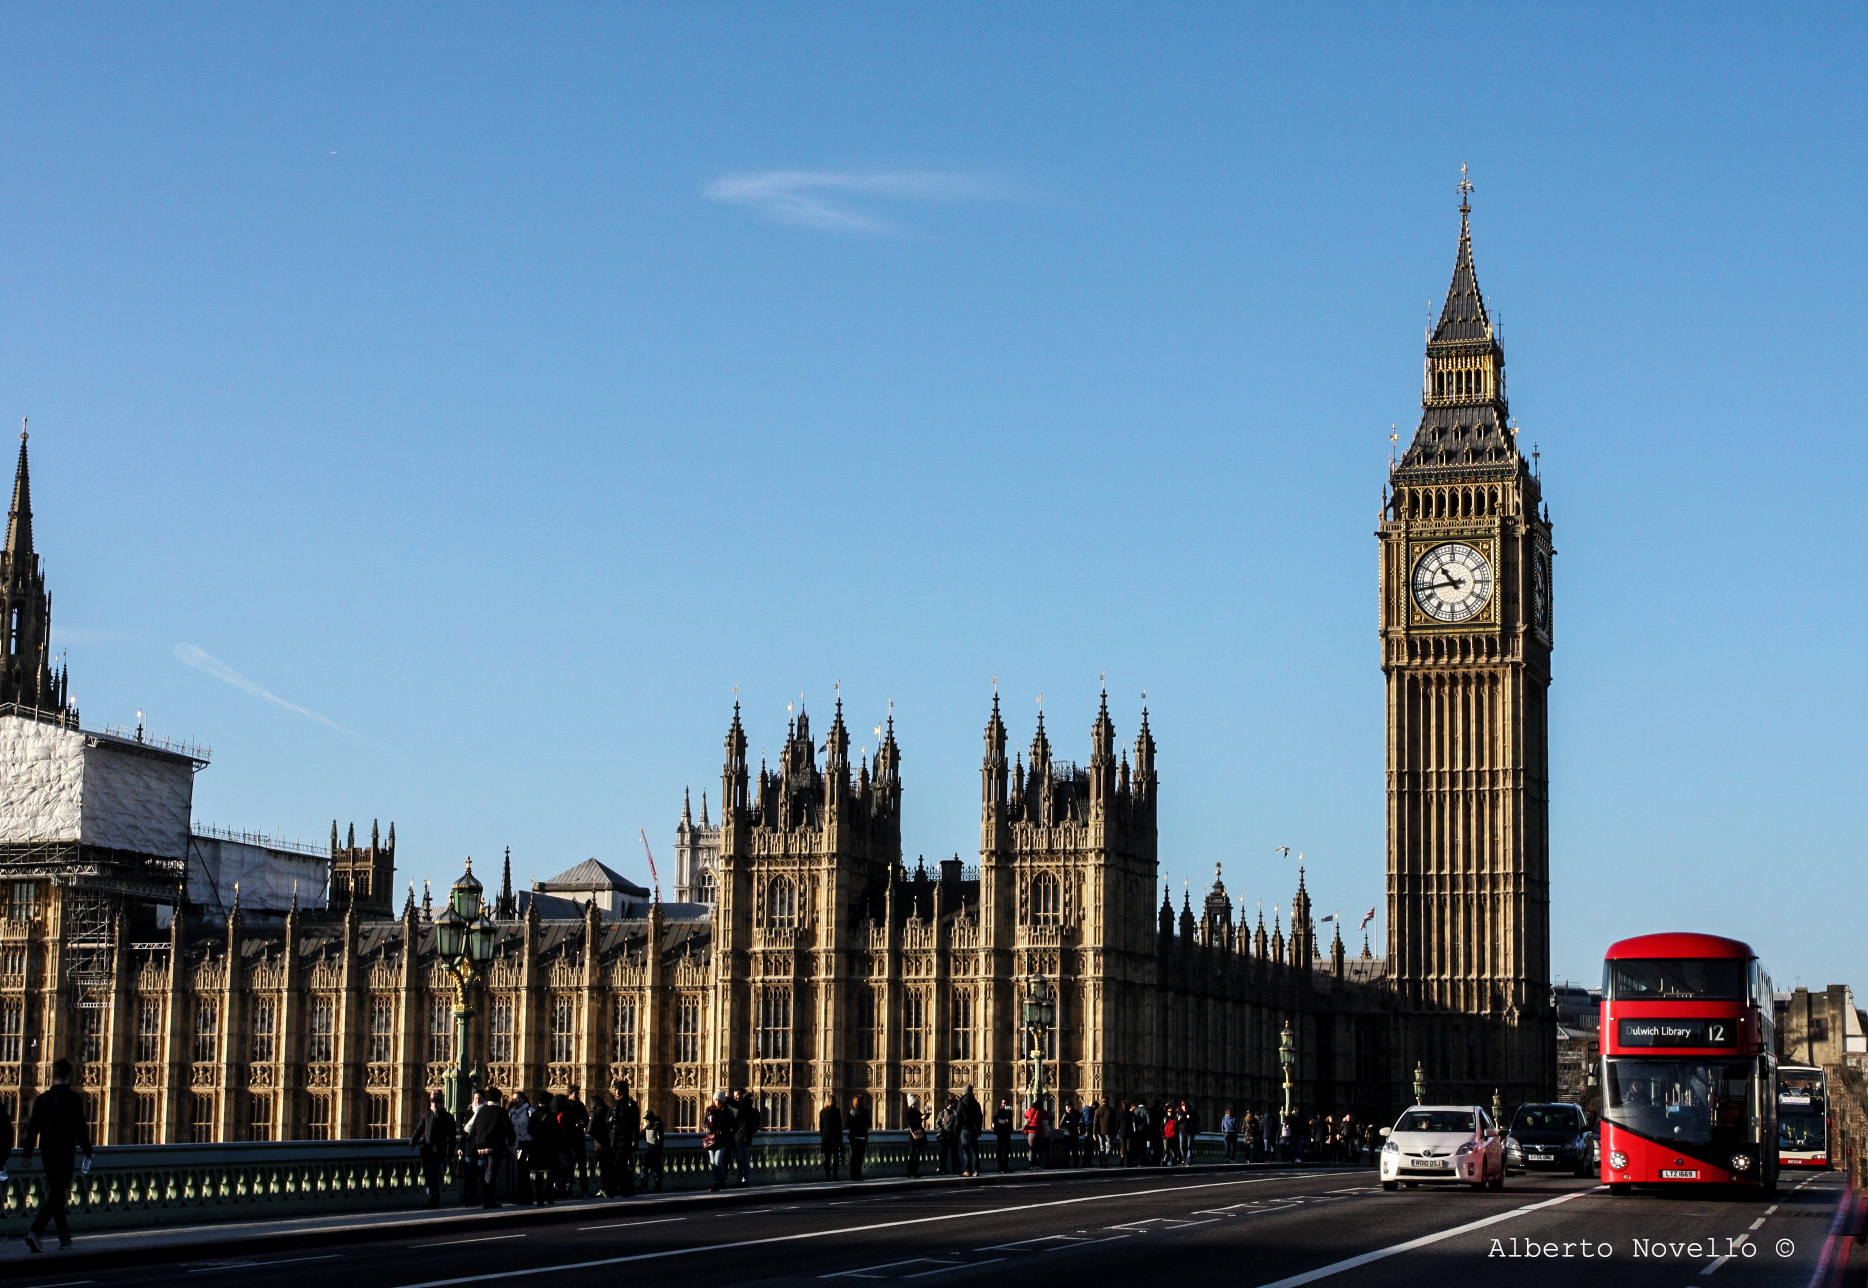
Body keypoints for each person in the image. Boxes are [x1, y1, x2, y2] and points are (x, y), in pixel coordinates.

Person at [20, 1057, 93, 1253]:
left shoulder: (42, 1099)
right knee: (57, 1193)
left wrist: (26, 1154)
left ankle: (64, 1239)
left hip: (47, 1152)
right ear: (69, 1075)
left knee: (56, 1192)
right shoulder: (73, 1099)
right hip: (65, 1151)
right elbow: (80, 1129)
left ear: (53, 1075)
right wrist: (88, 1151)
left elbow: (33, 1128)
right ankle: (35, 1232)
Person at [464, 1086, 514, 1209]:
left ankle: (488, 1198)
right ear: (499, 1098)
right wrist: (511, 1141)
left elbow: (469, 1128)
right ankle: (489, 1200)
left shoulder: (481, 1111)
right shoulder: (500, 1111)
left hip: (480, 1146)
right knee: (491, 1173)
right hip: (494, 1146)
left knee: (486, 1172)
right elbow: (508, 1128)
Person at [411, 1090, 455, 1207]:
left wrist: (450, 1153)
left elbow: (452, 1137)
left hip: (438, 1151)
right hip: (427, 1150)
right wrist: (413, 1141)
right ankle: (431, 1196)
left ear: (441, 1103)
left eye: (436, 1102)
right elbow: (419, 1129)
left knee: (432, 1173)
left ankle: (434, 1198)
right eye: (432, 1102)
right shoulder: (426, 1115)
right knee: (427, 1174)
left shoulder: (448, 1117)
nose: (433, 1104)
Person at [528, 1093, 561, 1204]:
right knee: (554, 1170)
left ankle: (540, 1198)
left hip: (537, 1147)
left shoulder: (534, 1115)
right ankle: (547, 1193)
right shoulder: (550, 1115)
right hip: (549, 1147)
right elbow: (557, 1131)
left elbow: (529, 1131)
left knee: (539, 1173)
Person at [703, 1090, 734, 1192]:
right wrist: (709, 1124)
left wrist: (718, 1123)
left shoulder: (727, 1112)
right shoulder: (709, 1110)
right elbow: (704, 1124)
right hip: (711, 1138)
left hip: (722, 1138)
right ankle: (715, 1183)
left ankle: (722, 1178)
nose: (716, 1102)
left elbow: (730, 1124)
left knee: (717, 1161)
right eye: (715, 1100)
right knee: (712, 1162)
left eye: (719, 1100)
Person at [508, 1091, 535, 1204]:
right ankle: (523, 1195)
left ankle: (524, 1196)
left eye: (518, 1098)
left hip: (526, 1143)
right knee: (519, 1171)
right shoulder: (511, 1112)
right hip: (516, 1144)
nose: (515, 1101)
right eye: (514, 1098)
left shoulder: (530, 1111)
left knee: (523, 1171)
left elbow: (534, 1128)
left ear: (524, 1099)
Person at [732, 1088, 759, 1186]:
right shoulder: (741, 1107)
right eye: (734, 1095)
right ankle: (741, 1179)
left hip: (743, 1137)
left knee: (743, 1160)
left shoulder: (744, 1107)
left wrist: (724, 1098)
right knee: (740, 1160)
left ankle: (744, 1180)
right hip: (739, 1138)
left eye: (737, 1095)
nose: (736, 1097)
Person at [589, 1090, 612, 1197]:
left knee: (603, 1167)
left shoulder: (595, 1113)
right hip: (610, 1142)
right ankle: (611, 1187)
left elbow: (590, 1130)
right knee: (610, 1166)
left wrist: (598, 1136)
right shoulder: (608, 1109)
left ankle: (605, 1188)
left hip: (600, 1144)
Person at [957, 1085, 983, 1177]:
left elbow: (958, 1117)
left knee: (966, 1150)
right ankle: (976, 1170)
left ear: (964, 1092)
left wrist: (956, 1131)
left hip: (964, 1129)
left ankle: (968, 1170)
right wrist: (978, 1129)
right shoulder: (976, 1103)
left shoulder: (961, 1103)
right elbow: (980, 1118)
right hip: (974, 1130)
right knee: (975, 1151)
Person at [639, 1108, 665, 1192]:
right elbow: (641, 1134)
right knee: (644, 1168)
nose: (647, 1121)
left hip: (655, 1151)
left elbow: (659, 1140)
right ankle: (644, 1185)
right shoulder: (649, 1126)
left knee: (656, 1170)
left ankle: (658, 1187)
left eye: (647, 1119)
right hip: (649, 1150)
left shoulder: (657, 1126)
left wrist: (658, 1150)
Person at [818, 1098, 843, 1181]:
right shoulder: (837, 1111)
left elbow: (821, 1126)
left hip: (826, 1136)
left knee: (827, 1157)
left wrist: (823, 1135)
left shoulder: (822, 1111)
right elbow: (839, 1126)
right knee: (836, 1157)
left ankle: (827, 1176)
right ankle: (835, 1175)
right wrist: (840, 1138)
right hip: (835, 1136)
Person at [847, 1095, 870, 1181]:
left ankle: (852, 1174)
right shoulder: (865, 1111)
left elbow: (848, 1124)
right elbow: (869, 1123)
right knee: (860, 1156)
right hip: (862, 1135)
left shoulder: (851, 1112)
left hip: (854, 1136)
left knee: (854, 1156)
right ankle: (858, 1174)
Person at [1022, 1099, 1049, 1169]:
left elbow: (1025, 1115)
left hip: (1032, 1132)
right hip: (1040, 1132)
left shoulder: (1031, 1110)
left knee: (1032, 1149)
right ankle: (1038, 1165)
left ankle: (1031, 1165)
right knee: (1039, 1150)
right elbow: (1048, 1117)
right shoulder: (1043, 1112)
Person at [904, 1095, 926, 1177]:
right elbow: (911, 1123)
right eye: (914, 1104)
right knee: (912, 1154)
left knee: (917, 1155)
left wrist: (928, 1114)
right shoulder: (908, 1113)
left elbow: (923, 1117)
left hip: (918, 1134)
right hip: (913, 1135)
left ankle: (915, 1172)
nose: (916, 1106)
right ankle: (909, 1172)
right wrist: (921, 1119)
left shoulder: (917, 1112)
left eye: (916, 1104)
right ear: (911, 1105)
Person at [992, 1096, 1014, 1173]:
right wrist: (1005, 1121)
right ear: (1001, 1104)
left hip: (1007, 1132)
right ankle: (1001, 1168)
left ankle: (1005, 1167)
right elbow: (996, 1120)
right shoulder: (999, 1111)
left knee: (1006, 1150)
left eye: (1007, 1103)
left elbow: (1009, 1121)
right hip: (1001, 1132)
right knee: (1001, 1150)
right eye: (1004, 1103)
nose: (1005, 1105)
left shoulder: (1008, 1111)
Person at [1095, 1098, 1117, 1167]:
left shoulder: (1098, 1110)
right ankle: (1106, 1158)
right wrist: (1115, 1133)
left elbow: (1095, 1122)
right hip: (1109, 1131)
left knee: (1102, 1147)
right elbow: (1114, 1123)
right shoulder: (1111, 1110)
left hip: (1100, 1131)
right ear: (1108, 1102)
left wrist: (1094, 1133)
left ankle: (1102, 1161)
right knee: (1109, 1146)